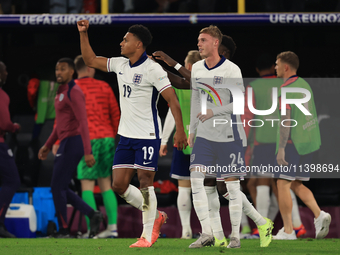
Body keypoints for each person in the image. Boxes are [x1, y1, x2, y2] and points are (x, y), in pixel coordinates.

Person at [77, 20, 188, 248]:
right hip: (126, 136)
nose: (121, 43)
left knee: (146, 182)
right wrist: (84, 33)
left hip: (147, 134)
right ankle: (156, 215)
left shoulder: (153, 69)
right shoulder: (120, 64)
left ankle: (146, 236)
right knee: (118, 186)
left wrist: (180, 131)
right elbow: (90, 60)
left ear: (138, 44)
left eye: (125, 40)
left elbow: (172, 100)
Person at [187, 25, 273, 249]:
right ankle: (208, 233)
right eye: (198, 40)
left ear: (216, 43)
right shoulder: (197, 67)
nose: (199, 44)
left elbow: (239, 102)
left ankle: (236, 236)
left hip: (229, 134)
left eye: (203, 40)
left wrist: (213, 112)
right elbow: (196, 100)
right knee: (198, 181)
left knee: (231, 188)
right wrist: (191, 131)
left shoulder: (231, 70)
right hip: (204, 136)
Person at [38, 58, 103, 238]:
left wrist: (88, 151)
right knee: (60, 187)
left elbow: (83, 122)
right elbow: (60, 124)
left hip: (73, 142)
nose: (58, 72)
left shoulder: (74, 91)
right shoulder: (61, 92)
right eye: (57, 69)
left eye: (63, 69)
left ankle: (64, 230)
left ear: (72, 72)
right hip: (66, 141)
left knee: (56, 187)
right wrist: (47, 145)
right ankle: (92, 214)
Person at [273, 51, 331, 240]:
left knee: (282, 183)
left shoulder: (286, 89)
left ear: (286, 67)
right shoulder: (304, 84)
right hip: (309, 142)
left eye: (277, 63)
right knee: (295, 183)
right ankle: (319, 214)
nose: (275, 67)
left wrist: (281, 147)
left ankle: (289, 231)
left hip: (293, 143)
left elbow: (286, 120)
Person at [73, 55, 120, 238]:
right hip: (106, 138)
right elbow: (116, 115)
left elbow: (66, 118)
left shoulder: (72, 88)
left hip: (85, 141)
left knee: (87, 186)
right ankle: (113, 228)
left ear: (76, 70)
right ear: (90, 68)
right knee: (106, 184)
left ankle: (92, 230)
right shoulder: (105, 87)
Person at [159, 50, 202, 240]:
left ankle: (186, 230)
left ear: (189, 67)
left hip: (182, 141)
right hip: (203, 142)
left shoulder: (178, 86)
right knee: (203, 188)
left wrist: (163, 140)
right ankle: (208, 229)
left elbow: (172, 114)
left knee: (184, 187)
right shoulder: (207, 85)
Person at [0, 61, 21, 238]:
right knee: (12, 180)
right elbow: (5, 123)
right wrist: (14, 127)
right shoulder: (2, 95)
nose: (7, 73)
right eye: (5, 71)